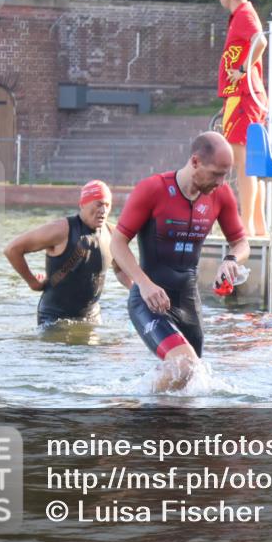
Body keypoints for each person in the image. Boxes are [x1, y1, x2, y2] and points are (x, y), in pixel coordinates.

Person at [111, 132, 250, 392]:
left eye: (225, 175)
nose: (221, 182)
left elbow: (241, 242)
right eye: (216, 174)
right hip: (149, 300)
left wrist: (230, 261)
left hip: (188, 302)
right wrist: (144, 284)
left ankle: (157, 424)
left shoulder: (221, 195)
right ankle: (133, 413)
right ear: (195, 162)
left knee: (189, 383)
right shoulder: (154, 189)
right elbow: (117, 243)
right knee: (184, 367)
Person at [4, 180, 131, 326]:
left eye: (107, 205)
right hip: (54, 319)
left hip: (91, 318)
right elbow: (12, 250)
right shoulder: (61, 230)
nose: (103, 210)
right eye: (98, 204)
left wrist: (135, 288)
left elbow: (120, 269)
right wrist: (33, 283)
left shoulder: (112, 233)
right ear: (83, 204)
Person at [216, 0, 268, 237]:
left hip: (243, 98)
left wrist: (245, 69)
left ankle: (245, 225)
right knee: (251, 164)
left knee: (243, 163)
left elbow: (261, 40)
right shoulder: (239, 16)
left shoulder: (245, 14)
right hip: (245, 98)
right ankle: (258, 225)